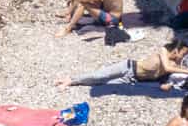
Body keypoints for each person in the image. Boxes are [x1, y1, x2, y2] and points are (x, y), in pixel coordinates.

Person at [59, 40, 188, 93]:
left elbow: (171, 78)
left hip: (133, 79)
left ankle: (77, 83)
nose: (183, 57)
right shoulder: (164, 51)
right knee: (99, 75)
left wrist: (170, 84)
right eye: (183, 53)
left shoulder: (175, 65)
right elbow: (166, 68)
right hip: (128, 67)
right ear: (177, 49)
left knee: (103, 84)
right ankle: (71, 80)